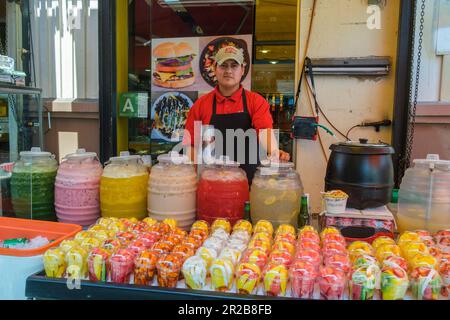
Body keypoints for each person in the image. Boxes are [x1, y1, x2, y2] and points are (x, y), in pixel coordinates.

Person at [183, 45, 290, 184]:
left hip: (247, 183)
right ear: (215, 68)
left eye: (234, 66)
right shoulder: (201, 104)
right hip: (211, 183)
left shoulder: (256, 101)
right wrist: (192, 179)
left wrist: (274, 152)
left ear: (242, 70)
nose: (228, 71)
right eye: (223, 65)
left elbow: (264, 131)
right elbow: (191, 145)